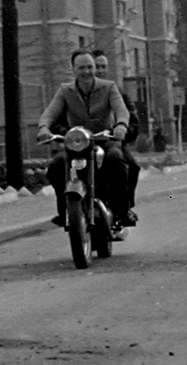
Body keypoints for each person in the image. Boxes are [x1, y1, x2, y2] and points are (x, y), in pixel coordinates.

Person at [39, 50, 133, 236]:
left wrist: (121, 125)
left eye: (90, 67)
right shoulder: (65, 90)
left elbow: (121, 110)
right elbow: (50, 112)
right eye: (81, 68)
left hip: (104, 139)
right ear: (73, 70)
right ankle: (64, 210)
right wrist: (43, 128)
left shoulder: (109, 87)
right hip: (78, 141)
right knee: (57, 165)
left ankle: (123, 211)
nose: (87, 72)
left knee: (116, 159)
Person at [93, 50, 139, 224]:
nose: (100, 70)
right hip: (83, 144)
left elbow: (132, 118)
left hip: (112, 142)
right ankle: (69, 209)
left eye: (103, 66)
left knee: (131, 166)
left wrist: (122, 133)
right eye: (96, 66)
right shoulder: (74, 91)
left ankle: (124, 208)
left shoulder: (116, 91)